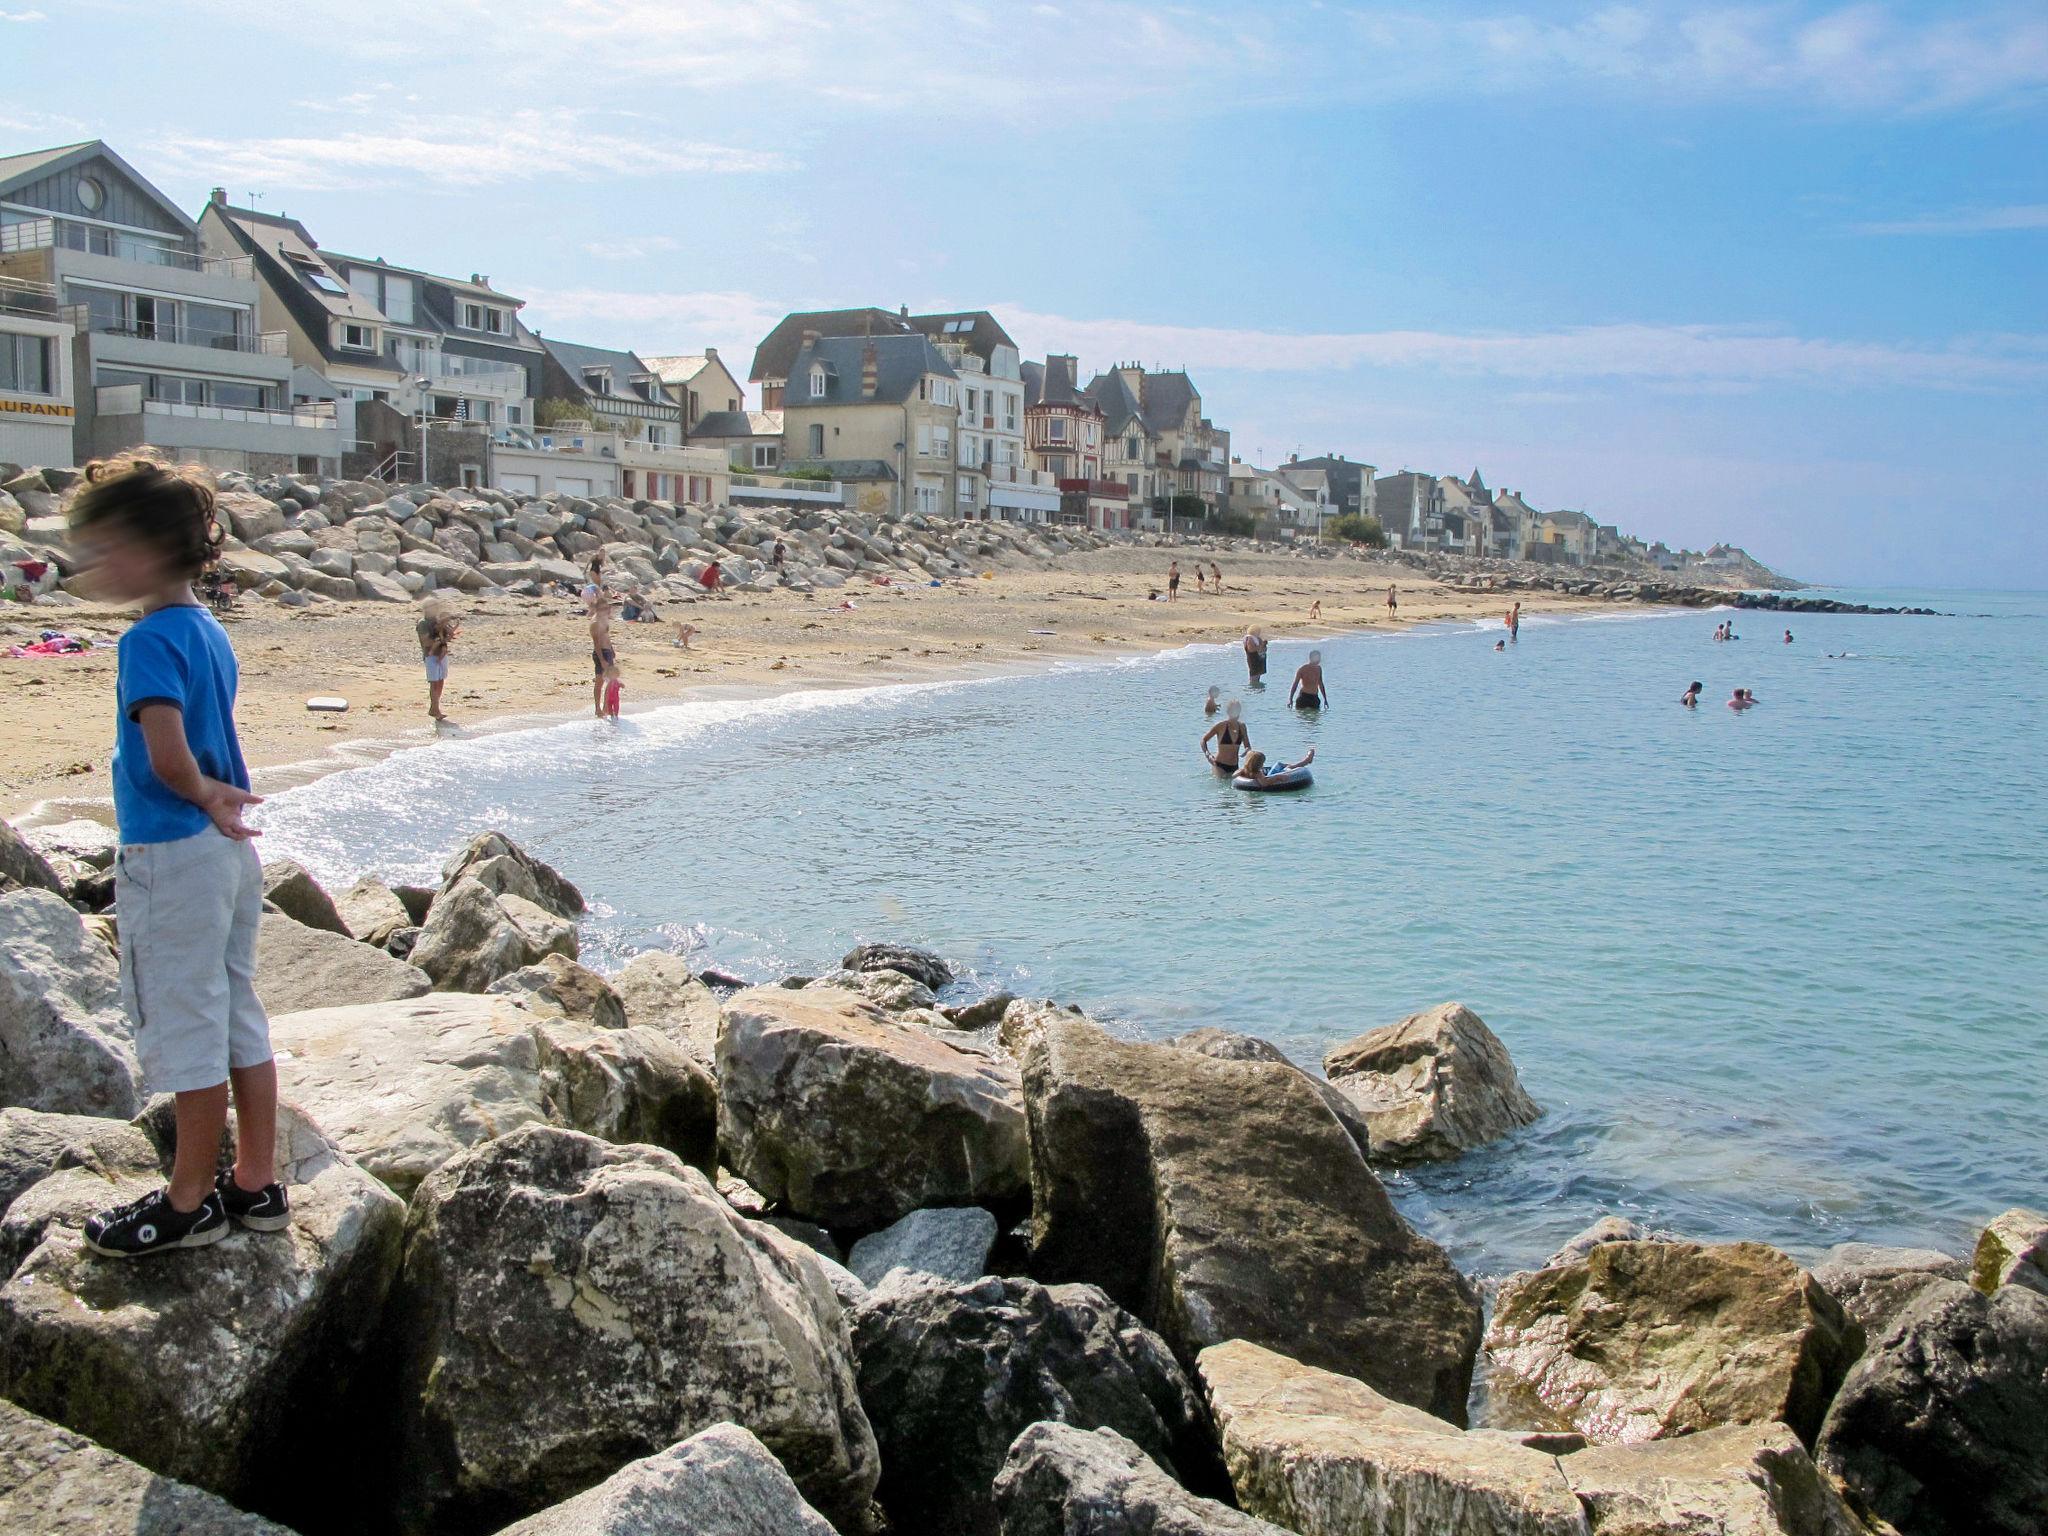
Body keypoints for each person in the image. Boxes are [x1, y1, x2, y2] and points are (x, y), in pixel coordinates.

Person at [66, 459, 285, 1258]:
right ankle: (256, 1184)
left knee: (189, 1026)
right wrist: (218, 799)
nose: (93, 567)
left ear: (154, 549)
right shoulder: (207, 628)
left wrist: (199, 793)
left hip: (173, 847)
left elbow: (165, 757)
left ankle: (188, 1201)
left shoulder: (149, 640)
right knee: (237, 1014)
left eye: (104, 549)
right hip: (224, 853)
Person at [417, 602, 458, 720]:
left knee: (440, 681)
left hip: (441, 654)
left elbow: (448, 635)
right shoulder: (423, 623)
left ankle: (434, 708)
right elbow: (426, 642)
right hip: (431, 656)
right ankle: (435, 709)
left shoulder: (438, 621)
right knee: (434, 683)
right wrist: (441, 640)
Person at [1201, 700, 1250, 772]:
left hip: (1235, 766)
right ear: (1228, 712)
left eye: (1237, 710)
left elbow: (1248, 746)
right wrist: (1208, 755)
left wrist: (1246, 751)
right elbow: (1203, 740)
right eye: (1232, 710)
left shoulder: (1242, 727)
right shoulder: (1221, 726)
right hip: (1219, 765)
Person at [590, 594, 617, 718]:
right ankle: (597, 708)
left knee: (611, 681)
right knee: (600, 682)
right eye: (601, 609)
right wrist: (602, 660)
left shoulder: (605, 619)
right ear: (596, 609)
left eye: (606, 608)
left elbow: (606, 636)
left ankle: (606, 706)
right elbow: (596, 644)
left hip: (608, 651)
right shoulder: (595, 623)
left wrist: (612, 649)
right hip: (600, 653)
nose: (604, 611)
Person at [1235, 746, 1315, 786]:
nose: (1263, 765)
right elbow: (1264, 783)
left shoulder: (1244, 770)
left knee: (1279, 764)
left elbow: (1234, 776)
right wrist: (1278, 777)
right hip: (1273, 776)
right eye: (1262, 763)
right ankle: (1306, 761)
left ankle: (1306, 760)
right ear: (1258, 764)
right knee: (1288, 768)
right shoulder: (1258, 773)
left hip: (1269, 775)